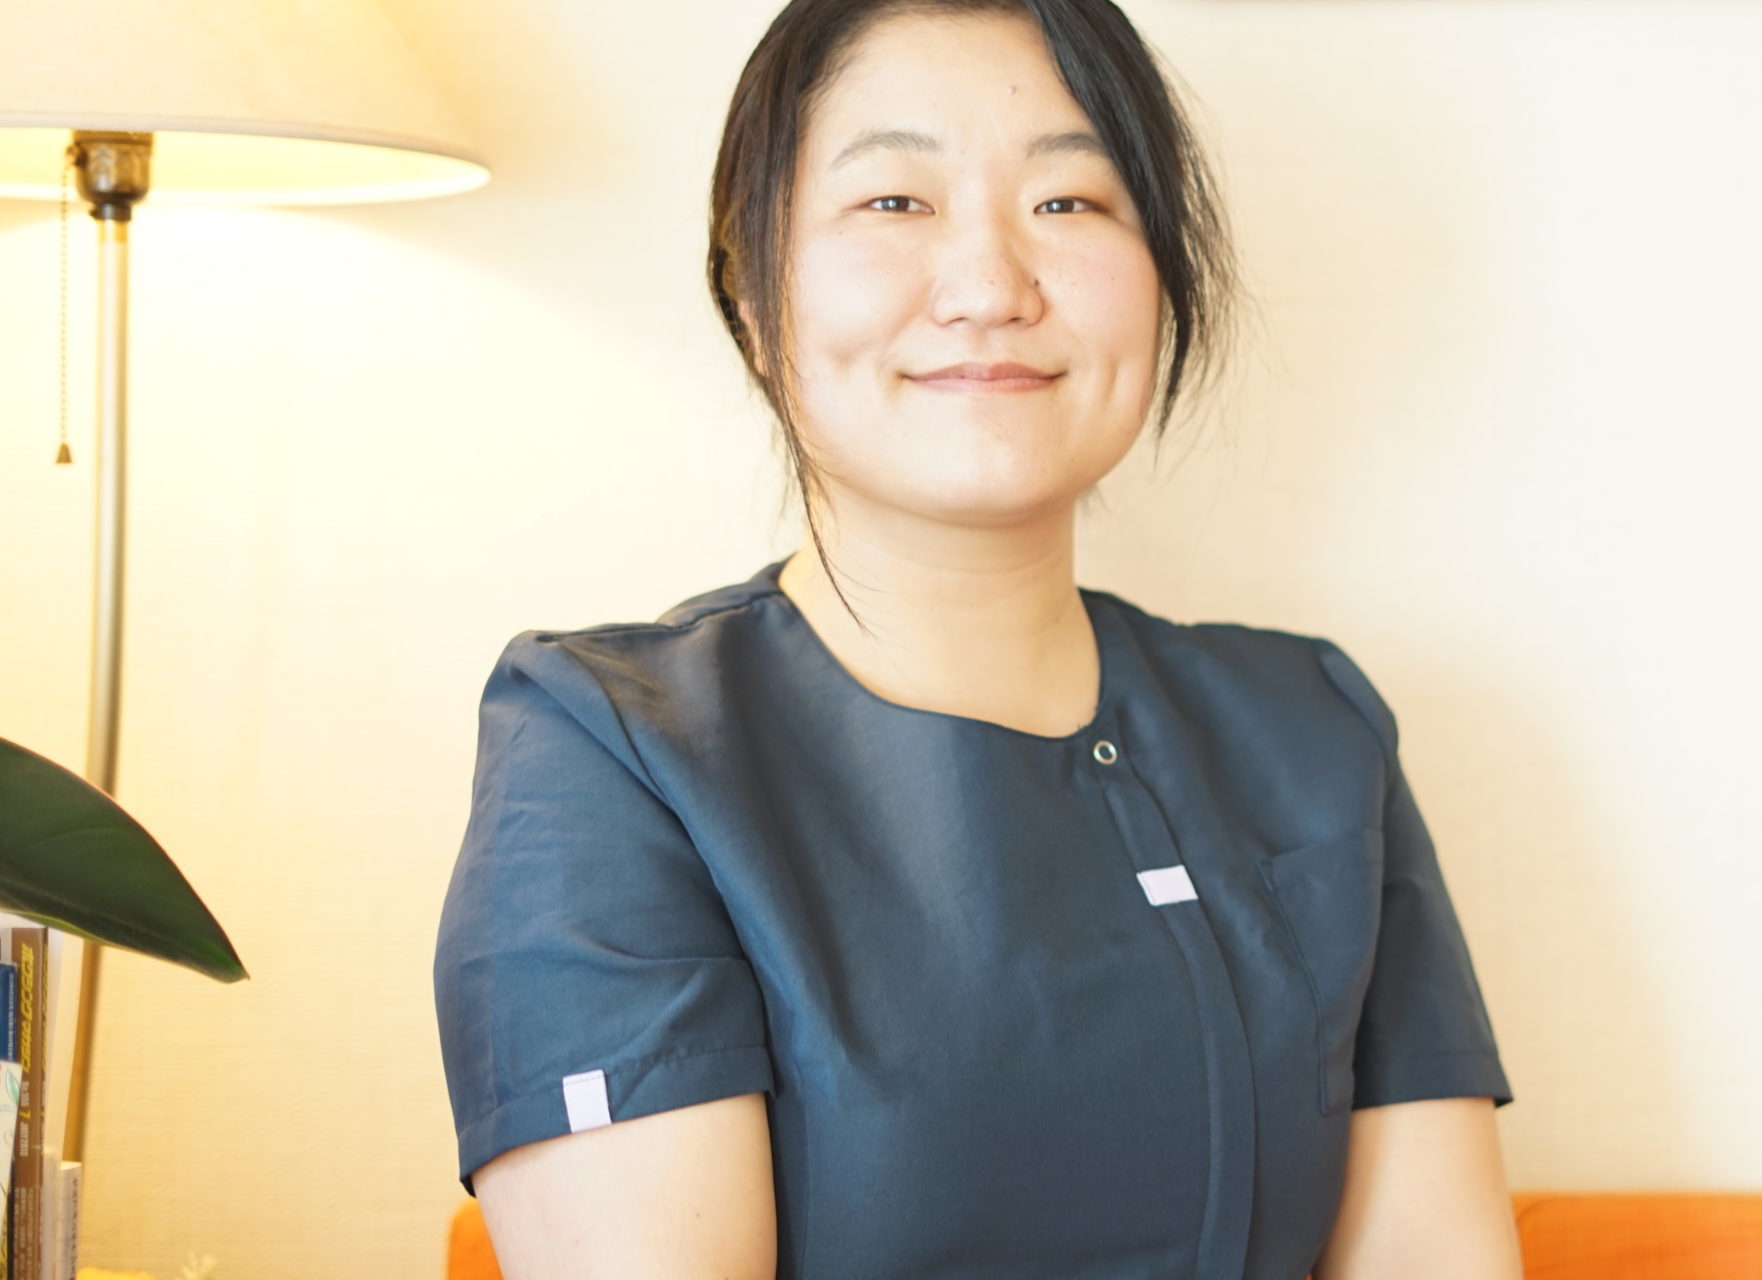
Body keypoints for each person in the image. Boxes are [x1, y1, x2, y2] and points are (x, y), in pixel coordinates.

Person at [430, 1, 1521, 1276]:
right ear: (750, 285)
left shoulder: (1312, 729)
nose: (993, 287)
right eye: (894, 201)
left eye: (1069, 201)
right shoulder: (610, 747)